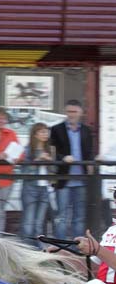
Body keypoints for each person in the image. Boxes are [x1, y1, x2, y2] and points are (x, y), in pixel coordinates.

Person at [51, 99, 94, 240]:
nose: (71, 114)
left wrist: (92, 167)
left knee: (79, 217)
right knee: (62, 216)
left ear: (80, 112)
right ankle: (60, 247)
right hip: (64, 179)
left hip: (81, 180)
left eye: (74, 111)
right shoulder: (56, 129)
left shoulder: (87, 130)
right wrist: (62, 157)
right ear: (65, 112)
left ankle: (78, 248)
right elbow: (52, 153)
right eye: (69, 111)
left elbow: (89, 153)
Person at [21, 123, 54, 245]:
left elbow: (54, 173)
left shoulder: (50, 149)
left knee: (39, 224)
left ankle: (39, 251)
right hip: (30, 188)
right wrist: (38, 160)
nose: (45, 134)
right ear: (35, 134)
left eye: (46, 132)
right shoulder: (28, 149)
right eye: (42, 132)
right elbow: (24, 171)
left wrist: (51, 163)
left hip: (45, 188)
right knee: (28, 224)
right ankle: (25, 250)